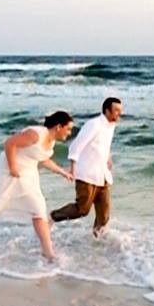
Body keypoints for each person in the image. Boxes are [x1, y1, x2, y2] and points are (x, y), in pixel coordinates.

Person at [0, 111, 74, 260]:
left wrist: (63, 172)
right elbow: (10, 143)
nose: (69, 133)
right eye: (68, 129)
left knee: (39, 209)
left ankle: (48, 252)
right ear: (59, 126)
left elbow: (43, 160)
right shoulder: (36, 134)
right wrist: (12, 167)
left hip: (27, 175)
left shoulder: (51, 141)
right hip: (7, 171)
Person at [50, 97, 122, 237]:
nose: (119, 114)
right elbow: (75, 146)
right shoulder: (94, 125)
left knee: (104, 216)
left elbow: (104, 144)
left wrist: (108, 157)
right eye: (116, 111)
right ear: (107, 111)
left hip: (102, 175)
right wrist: (72, 169)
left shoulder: (111, 125)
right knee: (82, 210)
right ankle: (53, 216)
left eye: (120, 111)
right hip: (87, 174)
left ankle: (97, 244)